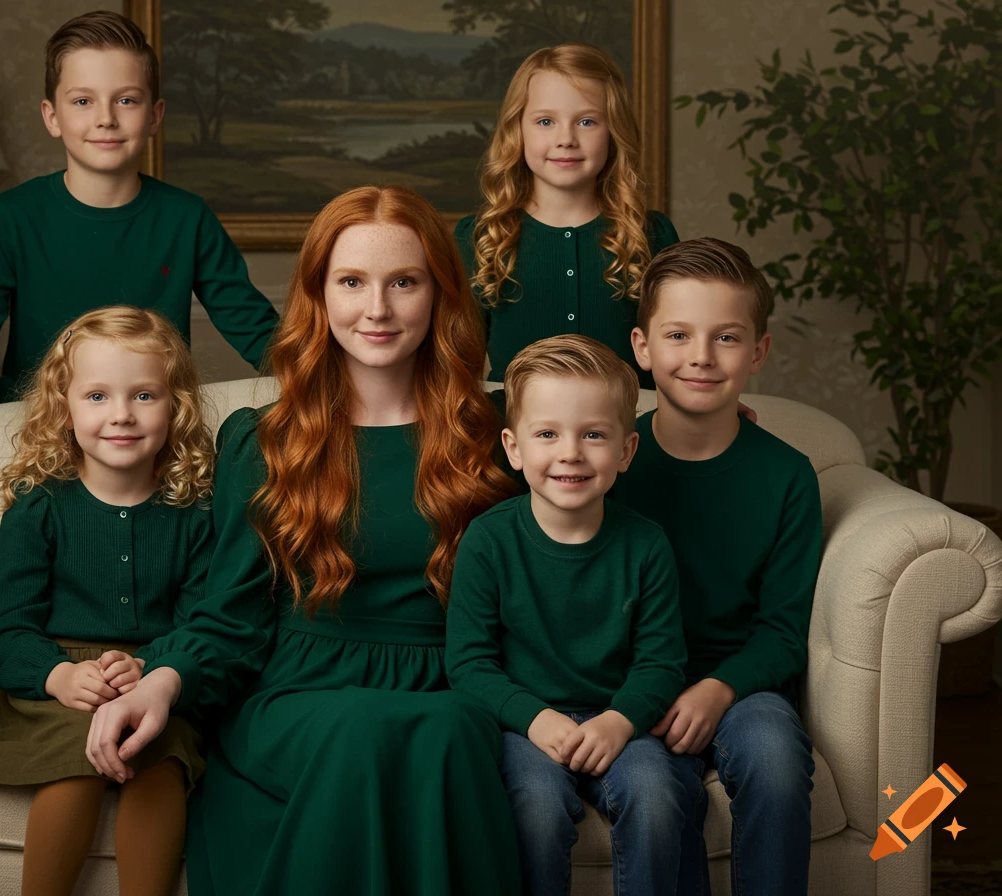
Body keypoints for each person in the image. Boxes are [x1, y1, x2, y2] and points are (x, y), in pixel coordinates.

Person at [84, 185, 524, 896]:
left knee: (442, 731)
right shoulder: (262, 442)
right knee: (358, 730)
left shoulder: (502, 435)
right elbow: (229, 615)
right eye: (351, 282)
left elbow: (600, 504)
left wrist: (704, 416)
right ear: (318, 295)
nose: (376, 309)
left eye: (403, 282)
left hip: (448, 681)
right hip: (297, 688)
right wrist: (164, 681)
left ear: (440, 293)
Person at [0, 9, 279, 496]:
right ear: (53, 116)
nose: (106, 118)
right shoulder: (12, 217)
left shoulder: (187, 218)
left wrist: (340, 381)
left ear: (154, 115)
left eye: (127, 100)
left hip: (150, 444)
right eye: (83, 100)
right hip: (35, 443)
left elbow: (256, 327)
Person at [0, 306, 213, 896]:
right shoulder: (38, 507)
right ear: (63, 407)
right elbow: (11, 632)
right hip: (54, 683)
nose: (121, 414)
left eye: (144, 395)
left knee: (160, 755)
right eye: (97, 396)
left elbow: (201, 621)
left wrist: (150, 666)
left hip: (152, 672)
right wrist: (58, 676)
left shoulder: (195, 513)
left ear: (176, 406)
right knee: (77, 758)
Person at [615, 237, 821, 896]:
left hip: (741, 683)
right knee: (650, 786)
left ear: (758, 351)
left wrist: (720, 689)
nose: (701, 357)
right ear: (643, 348)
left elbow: (784, 629)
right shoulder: (605, 464)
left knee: (776, 758)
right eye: (678, 335)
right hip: (630, 683)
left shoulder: (786, 475)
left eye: (726, 338)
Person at [447, 334, 689, 896]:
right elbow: (468, 662)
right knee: (534, 808)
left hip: (617, 721)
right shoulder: (488, 541)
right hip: (526, 725)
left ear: (626, 451)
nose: (571, 453)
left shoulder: (646, 546)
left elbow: (661, 663)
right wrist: (535, 719)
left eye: (594, 435)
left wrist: (620, 721)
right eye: (547, 434)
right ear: (513, 447)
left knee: (655, 798)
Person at [456, 43, 680, 386]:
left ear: (614, 131)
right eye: (545, 121)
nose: (566, 139)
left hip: (632, 431)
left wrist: (707, 407)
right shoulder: (479, 240)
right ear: (518, 130)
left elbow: (680, 347)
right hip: (515, 433)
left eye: (587, 121)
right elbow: (459, 370)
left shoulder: (653, 235)